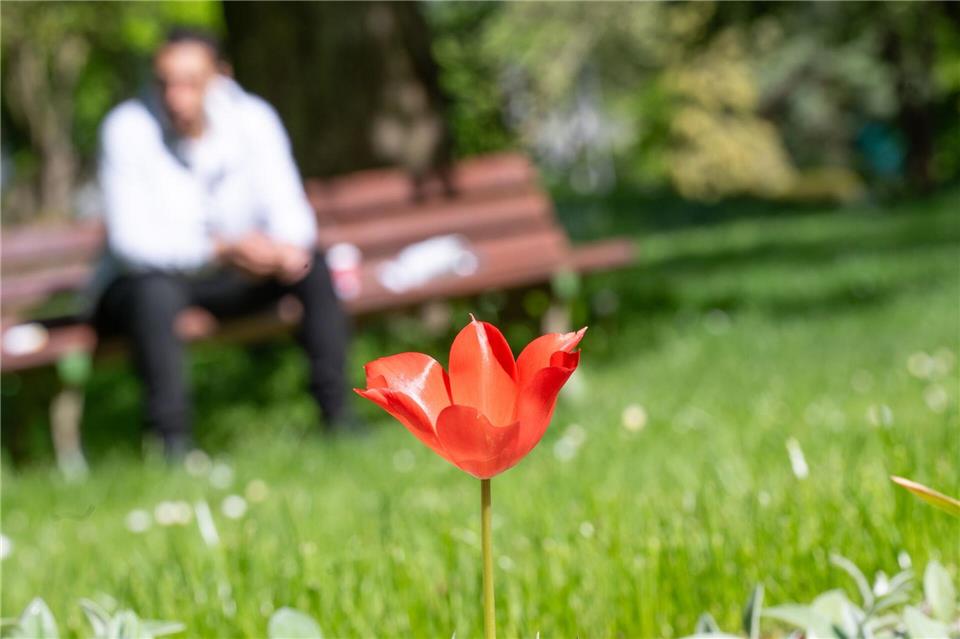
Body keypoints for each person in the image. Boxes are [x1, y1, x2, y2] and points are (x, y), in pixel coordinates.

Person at [91, 27, 356, 457]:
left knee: (314, 265)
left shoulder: (254, 119)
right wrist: (219, 250)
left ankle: (340, 418)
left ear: (223, 77)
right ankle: (171, 442)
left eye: (192, 82)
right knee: (152, 293)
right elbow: (131, 244)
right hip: (152, 284)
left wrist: (279, 251)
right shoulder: (126, 129)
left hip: (240, 274)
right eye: (165, 83)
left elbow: (292, 213)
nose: (177, 97)